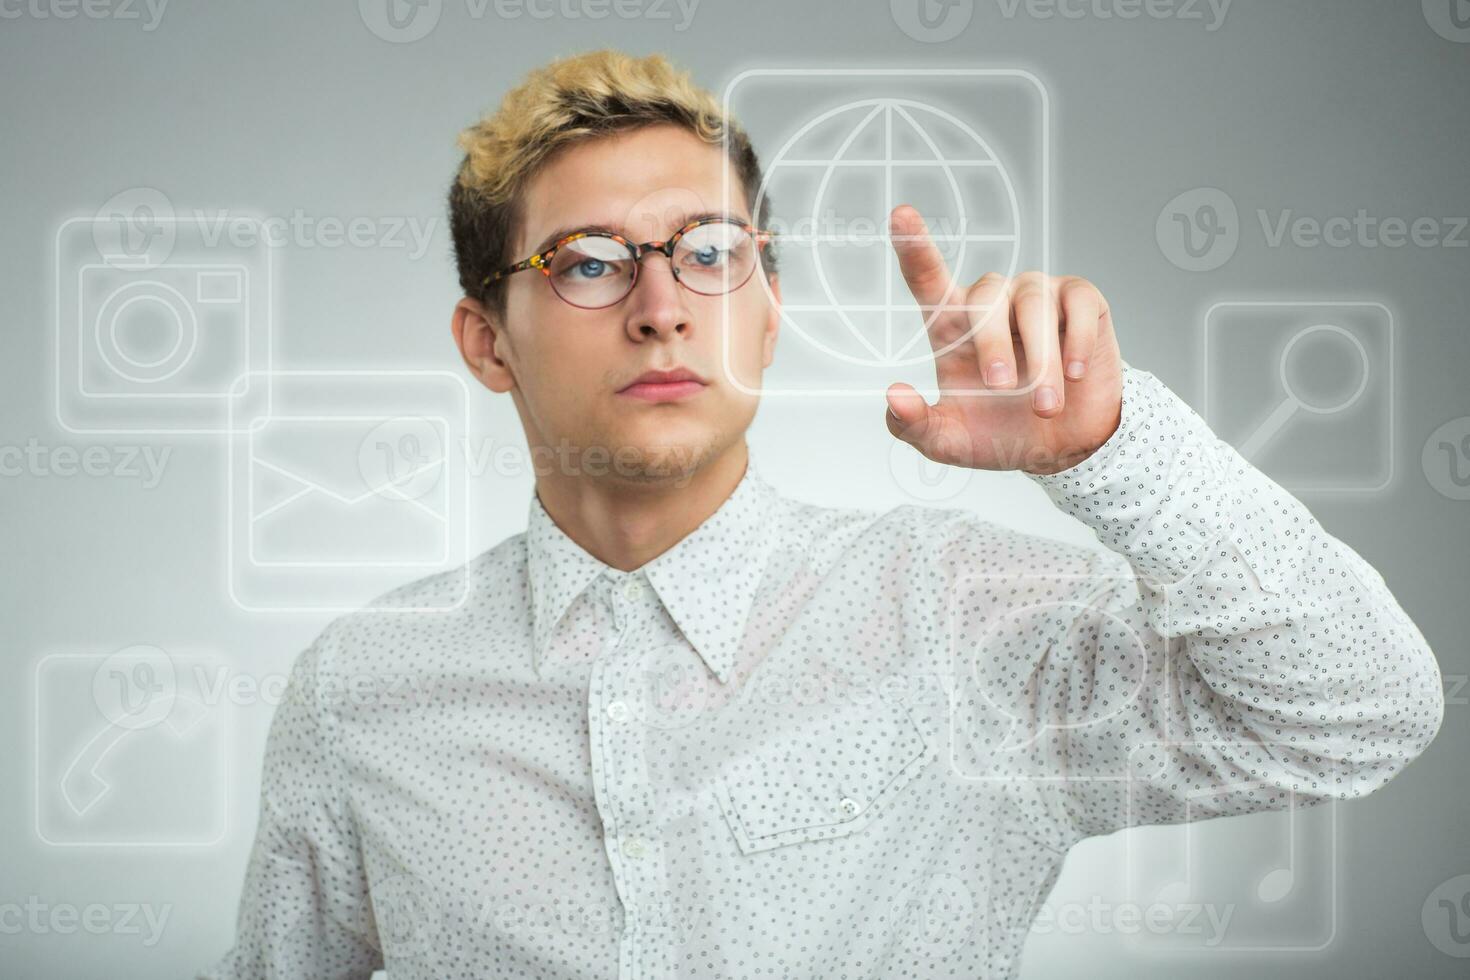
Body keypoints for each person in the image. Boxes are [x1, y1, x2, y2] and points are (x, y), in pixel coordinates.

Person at [203, 49, 1444, 979]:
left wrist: (1114, 456)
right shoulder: (361, 690)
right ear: (487, 341)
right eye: (587, 259)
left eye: (710, 251)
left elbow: (1359, 713)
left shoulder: (964, 621)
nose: (662, 305)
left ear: (770, 305)